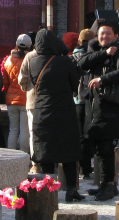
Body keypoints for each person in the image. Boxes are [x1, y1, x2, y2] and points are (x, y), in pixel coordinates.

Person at [25, 29, 85, 202]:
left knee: (46, 152)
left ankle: (48, 190)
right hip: (64, 111)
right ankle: (71, 189)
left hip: (42, 112)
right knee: (69, 152)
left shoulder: (34, 62)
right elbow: (74, 84)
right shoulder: (64, 61)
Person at [79, 22, 119, 201]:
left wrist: (102, 79)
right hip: (94, 106)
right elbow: (82, 63)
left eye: (108, 34)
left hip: (110, 106)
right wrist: (103, 53)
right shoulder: (97, 51)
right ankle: (104, 184)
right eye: (101, 34)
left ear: (116, 35)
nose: (104, 37)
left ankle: (109, 184)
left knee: (106, 148)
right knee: (98, 147)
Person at [3, 34, 32, 152]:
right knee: (25, 129)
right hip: (25, 98)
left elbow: (5, 82)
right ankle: (24, 154)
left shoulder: (8, 60)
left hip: (11, 99)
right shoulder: (30, 60)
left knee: (13, 129)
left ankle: (10, 154)